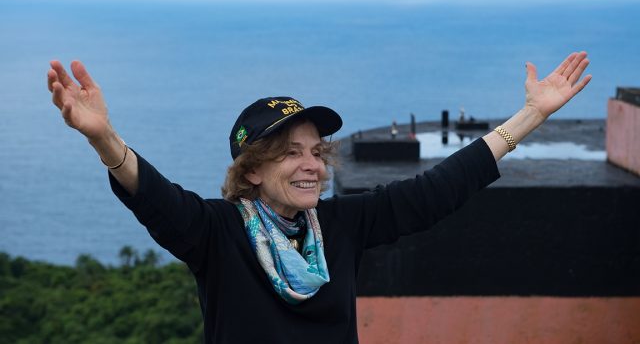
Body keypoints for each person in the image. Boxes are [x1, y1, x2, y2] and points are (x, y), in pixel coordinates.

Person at [47, 52, 591, 343]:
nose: (311, 165)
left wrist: (530, 116)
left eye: (316, 151)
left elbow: (437, 190)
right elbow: (154, 197)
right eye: (290, 154)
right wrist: (102, 137)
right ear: (252, 171)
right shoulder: (215, 232)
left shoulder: (342, 225)